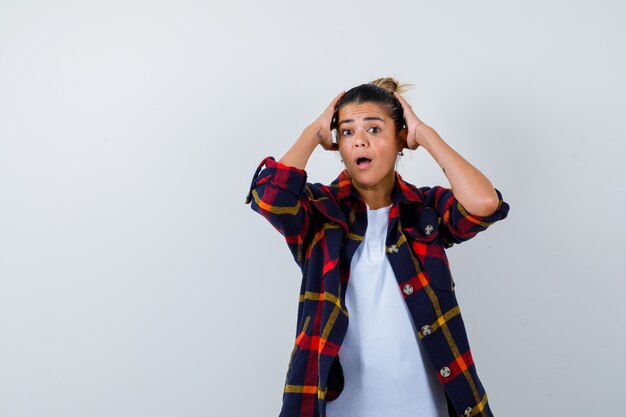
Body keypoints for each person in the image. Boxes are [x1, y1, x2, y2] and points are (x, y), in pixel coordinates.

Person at [245, 78, 510, 417]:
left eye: (373, 129)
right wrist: (314, 132)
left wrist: (425, 135)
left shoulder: (423, 209)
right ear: (336, 144)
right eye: (347, 132)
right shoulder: (320, 210)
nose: (359, 142)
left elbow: (483, 203)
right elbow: (270, 196)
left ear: (400, 138)